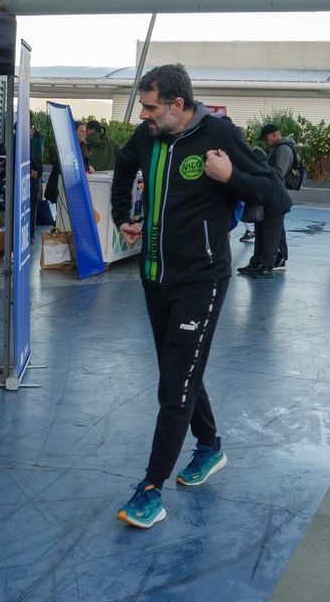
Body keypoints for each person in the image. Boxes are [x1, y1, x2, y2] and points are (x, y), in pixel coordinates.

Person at [109, 63, 287, 530]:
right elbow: (125, 164)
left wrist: (231, 178)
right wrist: (122, 215)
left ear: (178, 105)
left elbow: (278, 195)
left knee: (174, 386)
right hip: (153, 276)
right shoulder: (147, 137)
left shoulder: (220, 136)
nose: (144, 116)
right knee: (180, 371)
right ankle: (209, 446)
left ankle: (151, 489)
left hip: (202, 281)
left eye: (151, 107)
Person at [242, 123, 299, 274]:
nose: (265, 142)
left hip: (276, 196)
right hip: (273, 195)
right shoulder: (278, 149)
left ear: (275, 135)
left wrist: (260, 167)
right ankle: (266, 261)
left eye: (266, 138)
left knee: (274, 231)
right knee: (271, 231)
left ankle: (276, 260)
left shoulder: (284, 149)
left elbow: (278, 172)